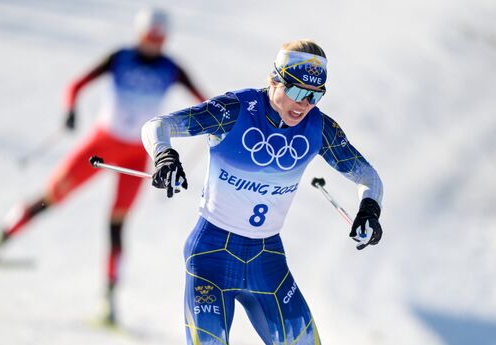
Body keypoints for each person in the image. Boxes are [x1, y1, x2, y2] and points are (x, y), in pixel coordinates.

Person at [0, 7, 206, 325]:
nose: (153, 44)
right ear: (139, 34)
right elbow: (75, 85)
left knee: (117, 224)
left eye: (159, 39)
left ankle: (109, 301)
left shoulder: (172, 69)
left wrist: (214, 125)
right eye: (149, 38)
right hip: (101, 146)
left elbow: (206, 103)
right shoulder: (119, 57)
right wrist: (70, 109)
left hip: (137, 154)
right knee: (50, 197)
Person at [141, 39, 384, 344]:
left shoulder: (319, 128)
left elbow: (368, 176)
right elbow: (157, 126)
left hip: (267, 259)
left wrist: (369, 211)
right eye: (296, 91)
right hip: (212, 256)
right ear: (274, 80)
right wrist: (165, 156)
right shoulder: (235, 110)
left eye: (314, 96)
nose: (303, 104)